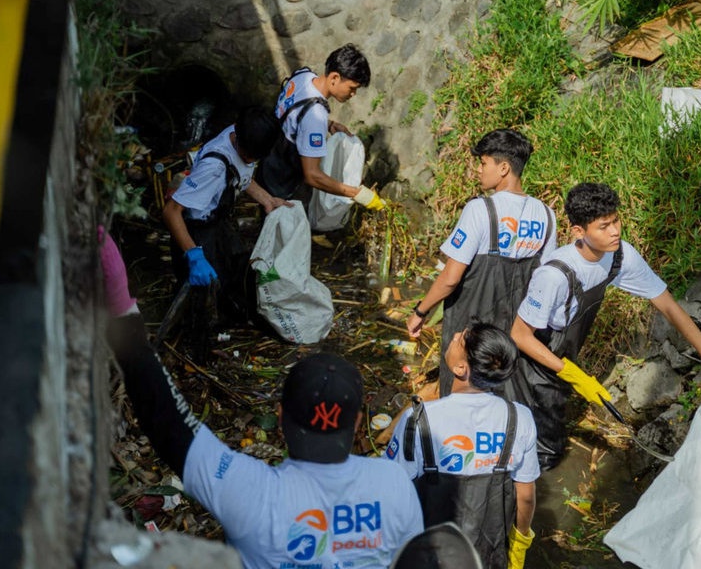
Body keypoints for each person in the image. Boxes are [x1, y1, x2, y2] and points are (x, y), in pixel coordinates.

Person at [100, 229, 424, 569]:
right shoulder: (394, 483)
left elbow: (167, 421)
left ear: (281, 417)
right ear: (358, 422)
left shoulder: (251, 493)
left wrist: (122, 309)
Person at [510, 182, 701, 471]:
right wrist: (573, 375)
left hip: (563, 355)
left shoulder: (620, 256)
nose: (615, 231)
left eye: (616, 221)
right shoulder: (555, 274)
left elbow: (669, 306)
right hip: (532, 357)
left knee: (548, 424)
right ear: (579, 232)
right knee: (540, 448)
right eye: (603, 226)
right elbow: (519, 334)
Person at [406, 129, 556, 398]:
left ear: (504, 168)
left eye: (483, 163)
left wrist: (420, 311)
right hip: (518, 328)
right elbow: (545, 279)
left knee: (462, 390)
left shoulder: (480, 210)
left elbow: (451, 277)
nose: (478, 170)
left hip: (473, 324)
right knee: (506, 392)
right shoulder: (547, 215)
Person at [385, 320, 538, 569]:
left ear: (460, 368)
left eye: (460, 339)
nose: (454, 335)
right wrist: (519, 543)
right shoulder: (518, 418)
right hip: (488, 553)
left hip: (430, 554)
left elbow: (393, 491)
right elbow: (526, 496)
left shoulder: (420, 419)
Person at [163, 106, 289, 319]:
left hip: (217, 222)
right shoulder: (213, 168)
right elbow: (171, 212)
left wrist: (268, 200)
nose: (252, 162)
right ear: (241, 143)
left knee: (238, 270)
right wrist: (194, 255)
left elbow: (240, 174)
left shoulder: (240, 131)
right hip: (195, 232)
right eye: (250, 157)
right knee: (208, 297)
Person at [258, 43, 385, 215]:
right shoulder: (315, 115)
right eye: (352, 88)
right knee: (285, 227)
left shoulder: (303, 76)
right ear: (334, 78)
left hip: (268, 160)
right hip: (284, 180)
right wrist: (355, 193)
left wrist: (330, 124)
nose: (353, 94)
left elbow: (295, 112)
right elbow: (312, 175)